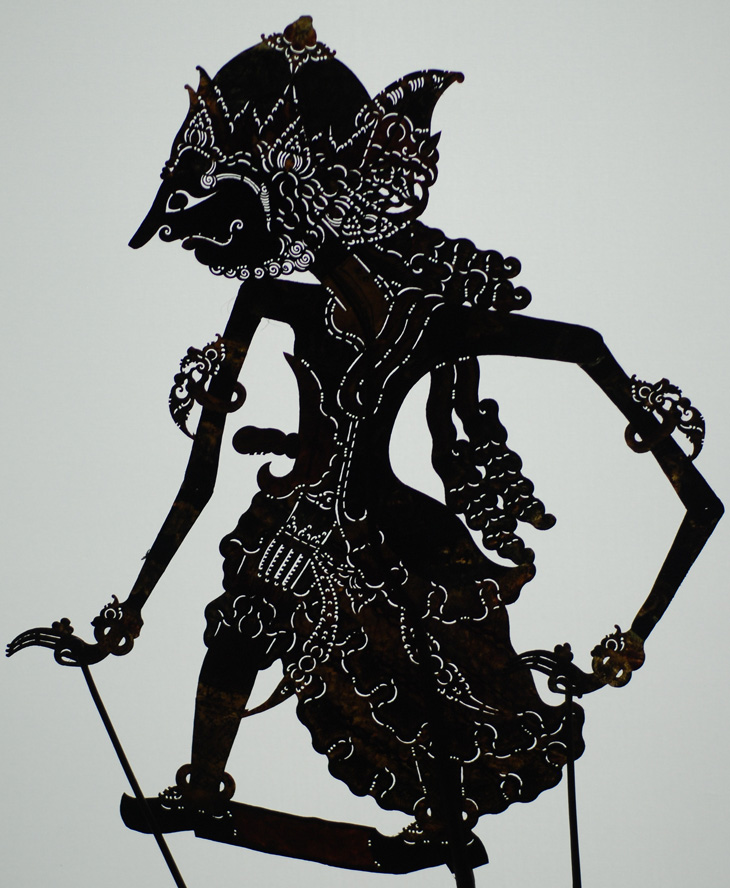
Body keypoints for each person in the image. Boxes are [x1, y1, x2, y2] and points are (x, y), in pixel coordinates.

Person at [11, 17, 721, 879]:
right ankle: (201, 787)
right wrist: (128, 609)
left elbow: (696, 497)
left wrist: (631, 639)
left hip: (387, 532)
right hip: (295, 517)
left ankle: (441, 816)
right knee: (243, 619)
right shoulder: (274, 302)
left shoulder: (432, 321)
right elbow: (198, 480)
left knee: (425, 672)